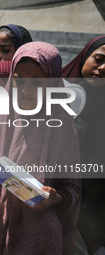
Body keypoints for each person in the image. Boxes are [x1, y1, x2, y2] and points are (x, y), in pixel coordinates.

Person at [0, 42, 81, 255]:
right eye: (19, 80)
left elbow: (73, 188)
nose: (26, 89)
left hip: (35, 236)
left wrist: (56, 197)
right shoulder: (0, 116)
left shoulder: (62, 124)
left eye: (37, 81)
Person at [62, 35, 105, 255]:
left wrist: (97, 233)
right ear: (85, 56)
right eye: (98, 59)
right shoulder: (61, 92)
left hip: (92, 208)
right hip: (53, 195)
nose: (102, 68)